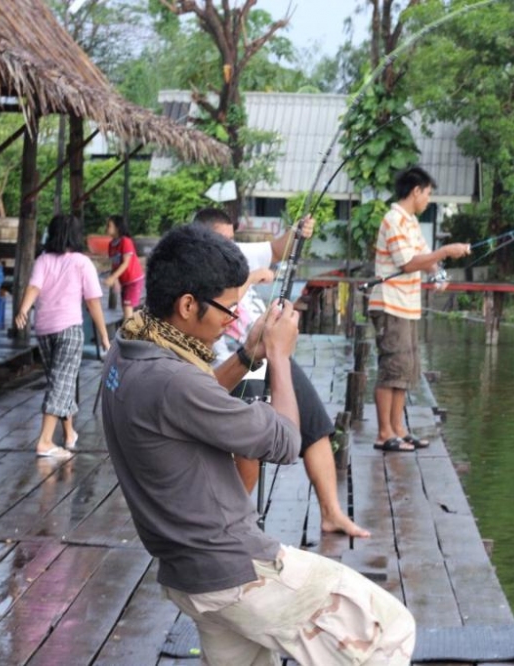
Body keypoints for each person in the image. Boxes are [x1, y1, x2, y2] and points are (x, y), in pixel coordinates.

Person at [100, 224, 415, 665]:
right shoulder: (171, 380)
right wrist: (280, 357)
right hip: (237, 570)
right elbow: (285, 442)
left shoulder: (130, 347)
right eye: (228, 309)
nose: (233, 319)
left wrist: (249, 355)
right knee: (389, 629)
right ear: (188, 305)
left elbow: (193, 395)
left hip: (189, 575)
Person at [193, 207, 369, 538]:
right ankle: (232, 521)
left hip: (267, 350)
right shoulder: (195, 267)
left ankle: (331, 513)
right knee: (247, 438)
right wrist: (251, 279)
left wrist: (297, 231)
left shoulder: (237, 254)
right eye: (222, 240)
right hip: (228, 364)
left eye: (232, 240)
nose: (230, 248)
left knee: (316, 425)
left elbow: (277, 249)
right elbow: (220, 304)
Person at [368, 166, 471, 452]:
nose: (428, 199)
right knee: (391, 368)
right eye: (427, 193)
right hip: (390, 305)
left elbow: (426, 259)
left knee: (405, 370)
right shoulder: (393, 220)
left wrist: (438, 274)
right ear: (416, 191)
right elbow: (408, 262)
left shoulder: (411, 221)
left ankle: (399, 429)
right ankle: (383, 433)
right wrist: (447, 250)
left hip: (407, 307)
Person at [15, 214, 110, 459]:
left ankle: (69, 434)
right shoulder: (82, 262)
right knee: (61, 382)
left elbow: (34, 287)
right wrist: (103, 334)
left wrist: (24, 309)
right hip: (68, 328)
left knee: (60, 380)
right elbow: (92, 301)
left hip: (44, 328)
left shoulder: (43, 260)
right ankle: (45, 441)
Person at [102, 214, 144, 321]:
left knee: (127, 306)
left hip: (133, 280)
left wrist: (112, 278)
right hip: (124, 281)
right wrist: (115, 280)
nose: (106, 228)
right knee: (126, 307)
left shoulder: (126, 241)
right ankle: (131, 330)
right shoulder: (111, 245)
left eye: (109, 225)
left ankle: (129, 334)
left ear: (117, 228)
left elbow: (125, 263)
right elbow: (114, 264)